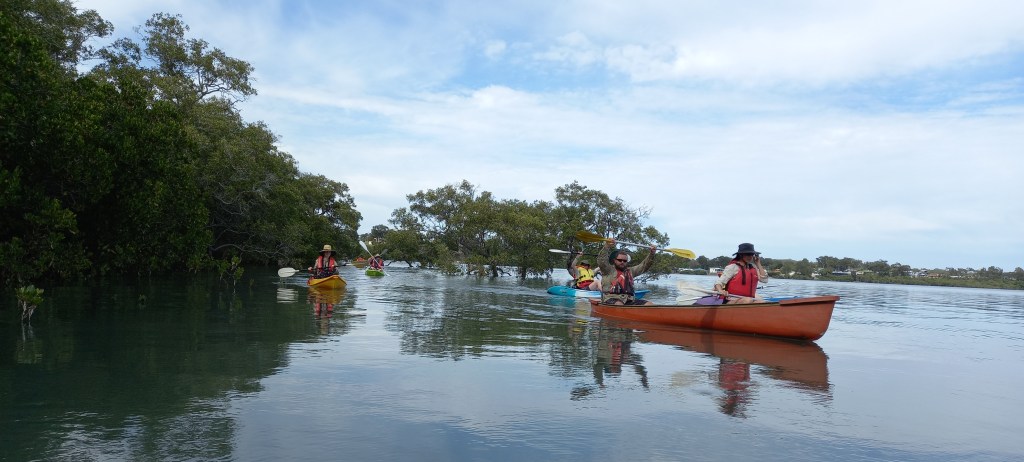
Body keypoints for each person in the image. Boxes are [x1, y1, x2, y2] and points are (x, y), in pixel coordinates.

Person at [597, 238, 656, 305]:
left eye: (625, 261)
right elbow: (601, 260)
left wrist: (652, 254)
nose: (622, 262)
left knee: (649, 304)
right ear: (614, 260)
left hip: (629, 299)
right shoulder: (607, 270)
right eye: (620, 260)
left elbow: (644, 266)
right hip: (610, 298)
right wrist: (606, 246)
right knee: (619, 304)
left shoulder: (631, 271)